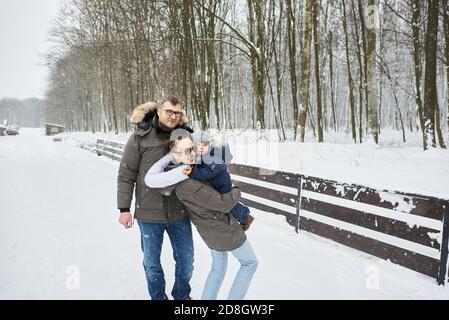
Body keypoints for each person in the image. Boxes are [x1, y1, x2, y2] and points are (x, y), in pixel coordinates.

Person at [145, 131, 258, 300]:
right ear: (174, 155)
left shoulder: (189, 172)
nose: (192, 154)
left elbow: (218, 161)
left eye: (192, 149)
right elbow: (223, 203)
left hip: (212, 229)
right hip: (221, 228)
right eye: (186, 151)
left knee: (218, 268)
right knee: (250, 263)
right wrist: (236, 190)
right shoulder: (187, 183)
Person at [116, 96, 195, 300]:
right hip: (149, 214)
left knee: (187, 261)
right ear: (159, 111)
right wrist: (124, 209)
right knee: (152, 264)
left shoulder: (185, 136)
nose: (172, 116)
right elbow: (127, 173)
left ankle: (182, 296)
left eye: (177, 113)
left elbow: (195, 169)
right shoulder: (140, 137)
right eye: (168, 111)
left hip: (179, 211)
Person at [189, 131, 255, 230]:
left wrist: (192, 172)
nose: (201, 147)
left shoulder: (215, 157)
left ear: (210, 145)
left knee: (227, 203)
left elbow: (205, 173)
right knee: (225, 203)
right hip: (216, 184)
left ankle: (245, 217)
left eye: (204, 145)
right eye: (198, 145)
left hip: (221, 184)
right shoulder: (203, 155)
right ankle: (243, 215)